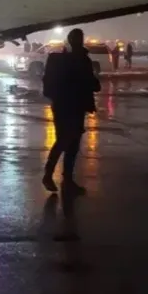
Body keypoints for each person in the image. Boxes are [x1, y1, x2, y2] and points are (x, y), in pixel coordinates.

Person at [41, 28, 101, 193]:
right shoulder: (82, 60)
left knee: (66, 142)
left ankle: (62, 178)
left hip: (62, 105)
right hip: (74, 106)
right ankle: (56, 177)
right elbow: (93, 84)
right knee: (68, 142)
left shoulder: (58, 60)